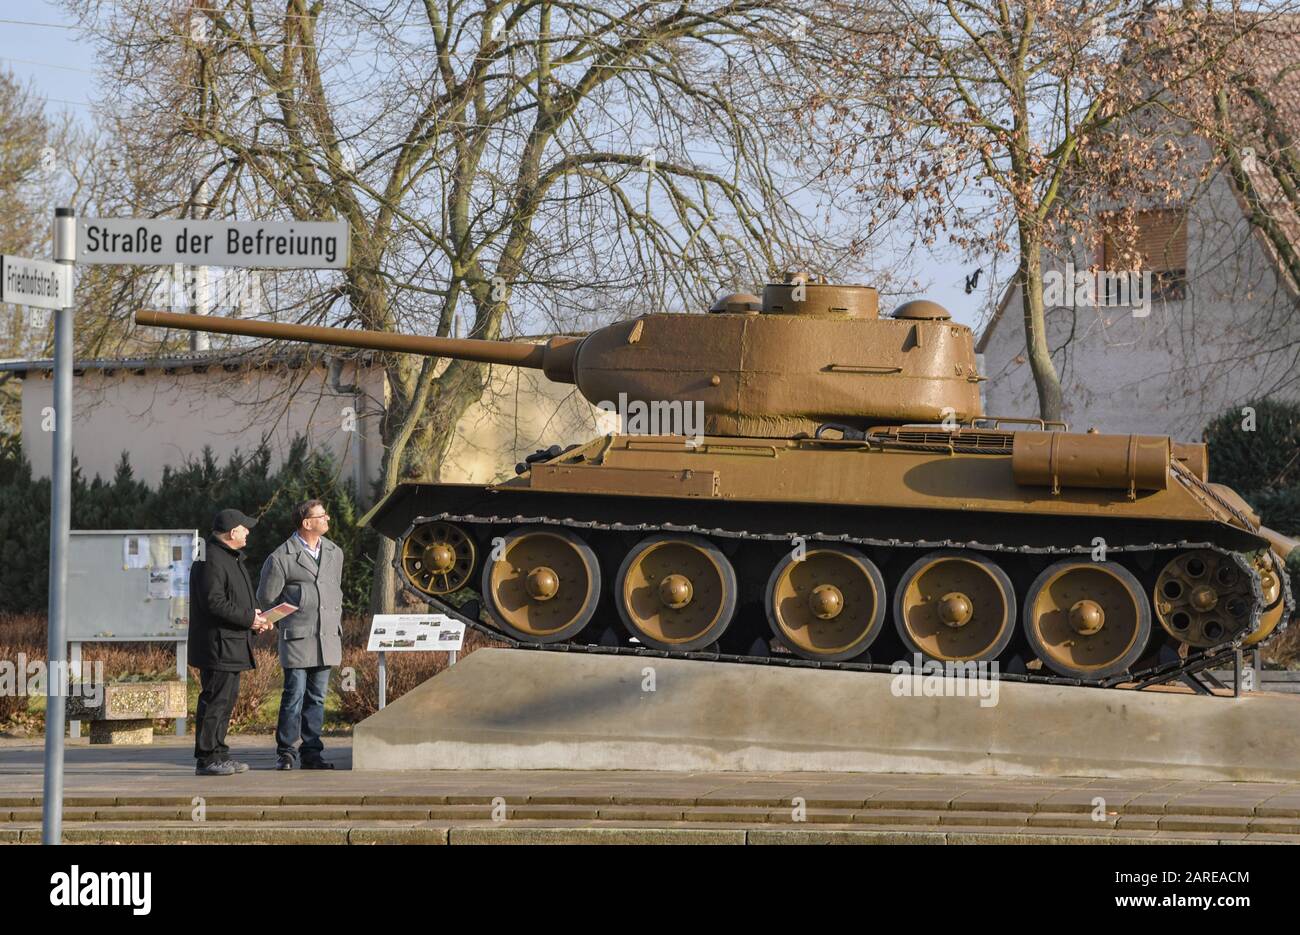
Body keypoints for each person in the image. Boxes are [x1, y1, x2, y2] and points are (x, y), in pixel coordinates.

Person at [258, 499, 343, 770]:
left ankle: (312, 752)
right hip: (297, 638)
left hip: (326, 637)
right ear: (307, 523)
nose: (328, 519)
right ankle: (286, 751)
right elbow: (266, 597)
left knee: (317, 697)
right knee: (293, 695)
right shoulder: (281, 557)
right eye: (322, 516)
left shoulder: (334, 552)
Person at [189, 509, 271, 776]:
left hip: (232, 643)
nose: (248, 532)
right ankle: (207, 758)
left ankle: (220, 753)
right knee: (215, 700)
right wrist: (249, 619)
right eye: (244, 528)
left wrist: (258, 617)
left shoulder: (229, 557)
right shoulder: (211, 558)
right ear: (232, 531)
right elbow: (214, 602)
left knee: (226, 700)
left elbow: (238, 599)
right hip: (218, 645)